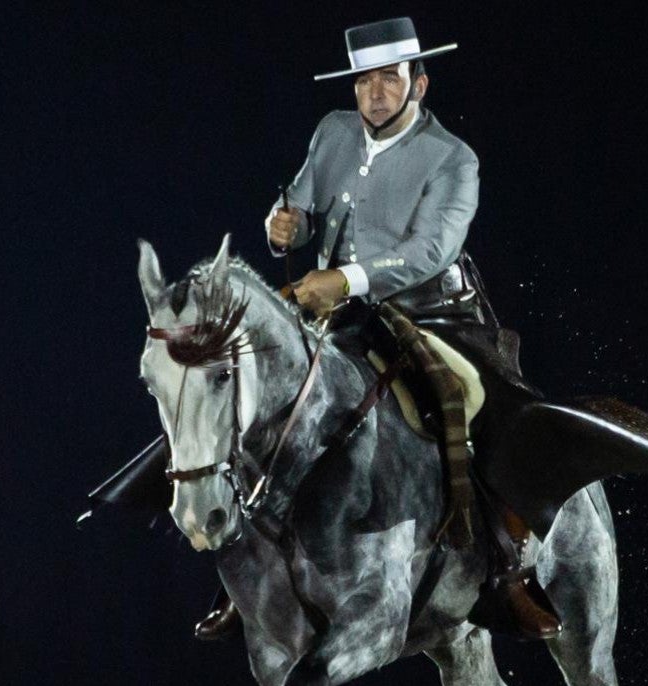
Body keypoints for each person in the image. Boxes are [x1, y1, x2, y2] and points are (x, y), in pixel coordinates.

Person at [192, 16, 563, 642]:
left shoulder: (452, 158)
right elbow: (302, 213)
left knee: (464, 400)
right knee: (247, 390)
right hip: (340, 318)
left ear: (418, 84)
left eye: (389, 78)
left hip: (435, 312)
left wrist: (347, 279)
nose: (375, 92)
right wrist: (282, 226)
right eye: (365, 80)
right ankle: (247, 571)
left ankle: (506, 569)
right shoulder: (332, 132)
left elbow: (433, 249)